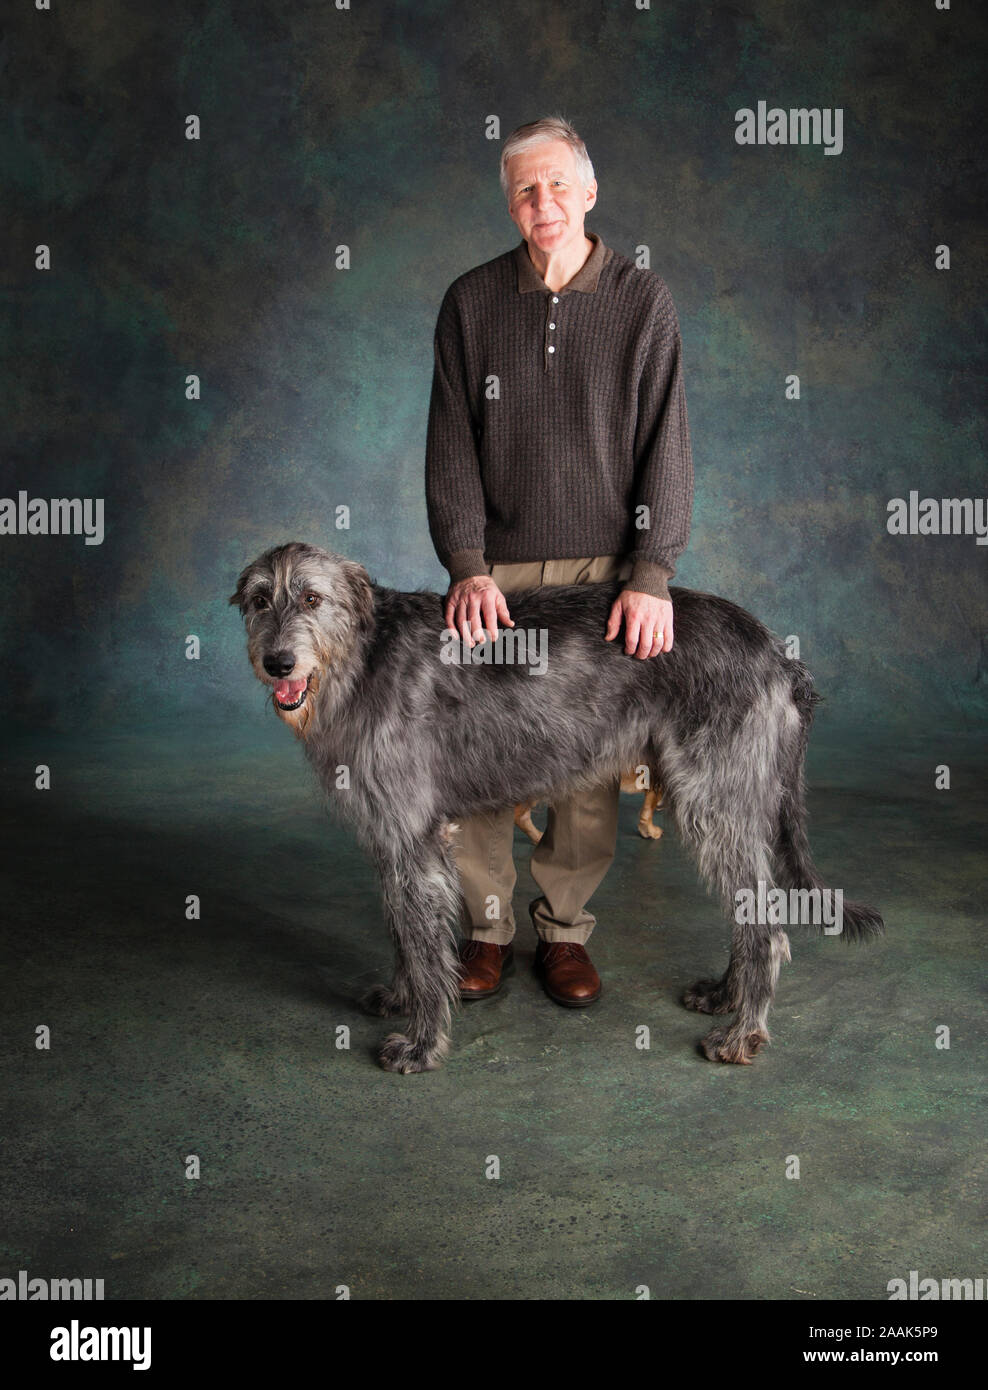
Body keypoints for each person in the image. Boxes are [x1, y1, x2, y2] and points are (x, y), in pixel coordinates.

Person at [425, 115, 693, 1006]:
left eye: (557, 186)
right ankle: (486, 929)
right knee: (478, 760)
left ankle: (565, 934)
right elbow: (451, 448)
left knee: (584, 770)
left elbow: (668, 447)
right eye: (524, 189)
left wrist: (651, 575)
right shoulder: (470, 303)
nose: (542, 203)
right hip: (497, 579)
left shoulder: (643, 300)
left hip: (603, 579)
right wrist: (466, 565)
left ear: (588, 192)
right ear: (511, 203)